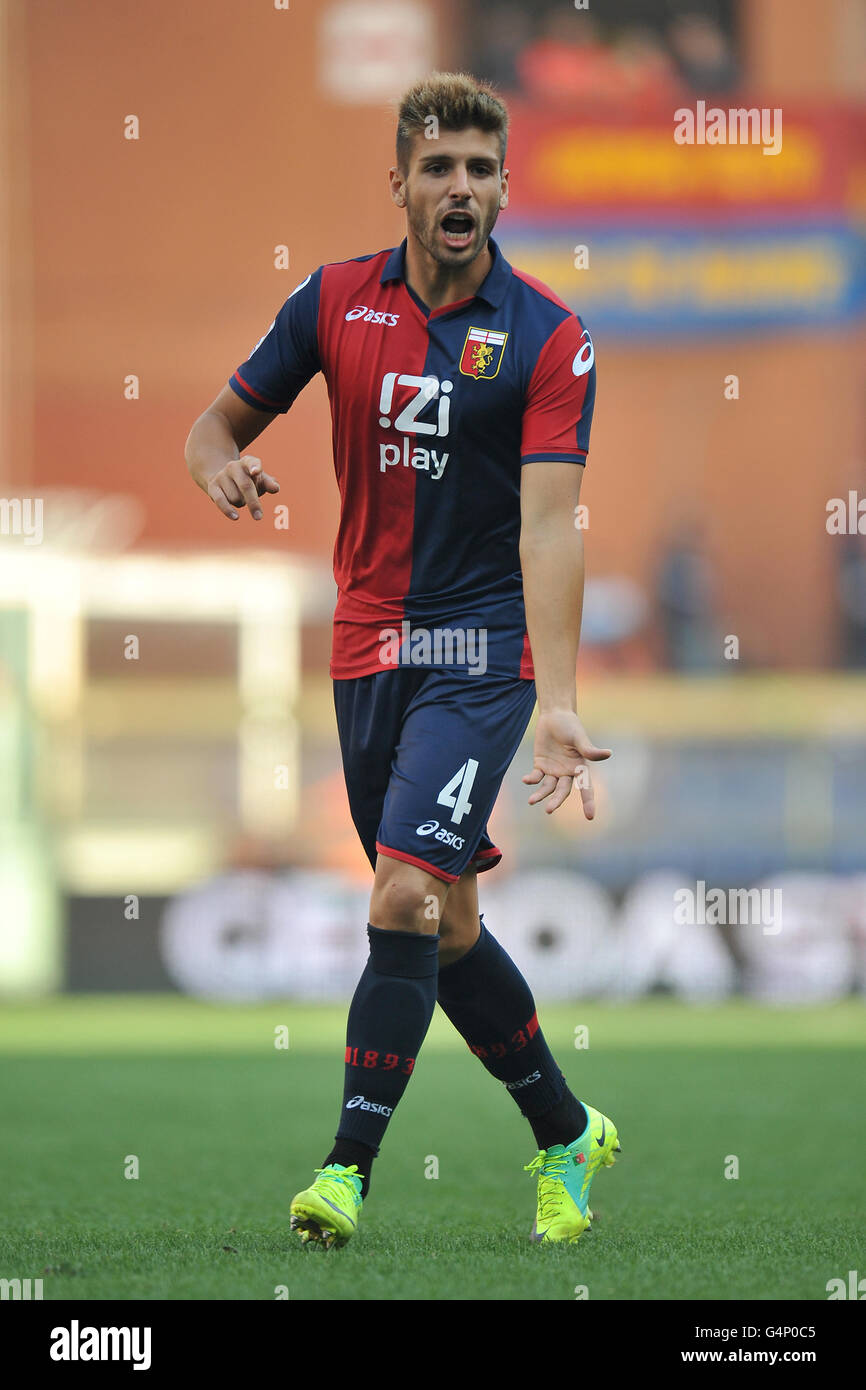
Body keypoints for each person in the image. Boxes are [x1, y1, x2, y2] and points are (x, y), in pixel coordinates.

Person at [184, 71, 620, 1248]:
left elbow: (549, 523)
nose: (461, 187)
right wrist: (217, 463)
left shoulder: (547, 338)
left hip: (480, 650)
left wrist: (559, 700)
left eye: (481, 168)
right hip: (365, 645)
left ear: (504, 187)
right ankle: (568, 1134)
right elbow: (212, 423)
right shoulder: (332, 301)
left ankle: (343, 1170)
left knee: (400, 891)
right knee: (449, 926)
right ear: (399, 185)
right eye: (438, 167)